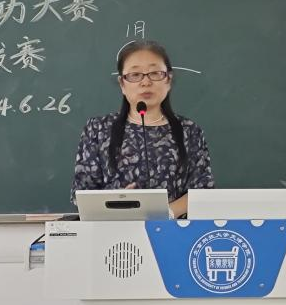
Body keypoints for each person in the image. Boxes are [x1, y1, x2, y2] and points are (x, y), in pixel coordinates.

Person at [71, 40, 214, 217]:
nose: (146, 82)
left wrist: (167, 213)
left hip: (174, 229)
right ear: (122, 84)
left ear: (168, 80)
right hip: (113, 228)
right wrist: (117, 200)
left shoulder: (190, 131)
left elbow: (202, 190)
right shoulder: (97, 129)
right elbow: (82, 194)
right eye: (135, 75)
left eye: (155, 73)